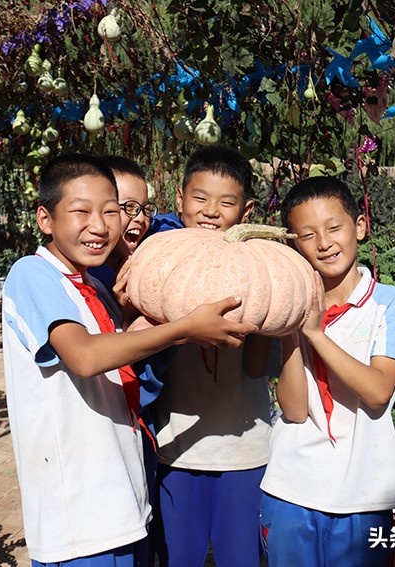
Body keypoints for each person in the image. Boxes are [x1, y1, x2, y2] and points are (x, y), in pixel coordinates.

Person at [1, 153, 259, 567]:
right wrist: (184, 328)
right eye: (81, 211)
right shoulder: (32, 274)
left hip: (123, 506)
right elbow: (84, 357)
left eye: (111, 211)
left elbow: (127, 377)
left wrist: (147, 316)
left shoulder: (95, 290)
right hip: (78, 523)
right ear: (45, 219)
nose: (101, 226)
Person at [260, 176, 395, 567]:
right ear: (292, 244)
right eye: (307, 234)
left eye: (334, 227)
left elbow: (378, 392)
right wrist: (291, 330)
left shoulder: (389, 304)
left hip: (363, 494)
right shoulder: (289, 308)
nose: (324, 242)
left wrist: (314, 334)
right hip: (290, 489)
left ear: (360, 227)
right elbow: (296, 409)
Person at [149, 145, 273, 567]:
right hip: (177, 446)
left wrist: (261, 302)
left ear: (247, 209)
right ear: (180, 199)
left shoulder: (260, 267)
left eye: (227, 202)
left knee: (241, 559)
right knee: (181, 558)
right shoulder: (158, 259)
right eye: (200, 198)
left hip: (245, 448)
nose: (210, 211)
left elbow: (257, 367)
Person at [88, 156, 156, 290]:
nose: (141, 218)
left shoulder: (142, 268)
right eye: (129, 207)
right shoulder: (89, 278)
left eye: (146, 209)